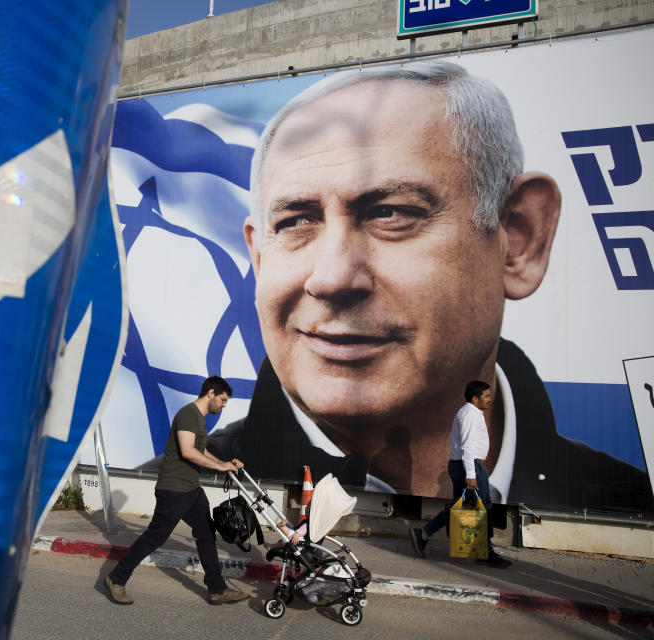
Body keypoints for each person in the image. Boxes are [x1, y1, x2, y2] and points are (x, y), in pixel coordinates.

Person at [206, 61, 654, 514]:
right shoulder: (195, 496)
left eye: (390, 213)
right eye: (296, 221)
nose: (332, 277)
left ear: (519, 240)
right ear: (259, 258)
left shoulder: (630, 505)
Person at [103, 376, 251, 605]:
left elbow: (200, 450)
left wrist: (226, 464)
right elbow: (188, 452)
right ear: (211, 393)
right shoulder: (188, 414)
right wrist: (220, 466)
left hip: (191, 488)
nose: (223, 405)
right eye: (223, 400)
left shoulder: (198, 419)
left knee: (206, 533)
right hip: (174, 489)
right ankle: (116, 578)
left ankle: (217, 589)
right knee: (155, 536)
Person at [409, 381, 511, 568]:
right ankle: (486, 552)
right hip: (469, 466)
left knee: (459, 505)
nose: (489, 399)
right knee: (483, 507)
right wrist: (471, 474)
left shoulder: (471, 413)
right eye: (486, 396)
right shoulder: (470, 415)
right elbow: (468, 446)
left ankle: (423, 534)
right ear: (475, 398)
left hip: (463, 466)